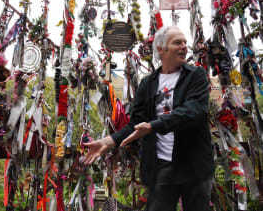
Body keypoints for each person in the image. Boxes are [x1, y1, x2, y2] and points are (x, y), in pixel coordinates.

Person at [84, 26, 214, 211]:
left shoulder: (196, 76)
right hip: (160, 167)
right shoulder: (148, 84)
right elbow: (136, 124)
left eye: (185, 42)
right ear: (161, 49)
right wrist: (109, 141)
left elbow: (194, 111)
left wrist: (154, 126)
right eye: (177, 42)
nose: (184, 47)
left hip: (194, 165)